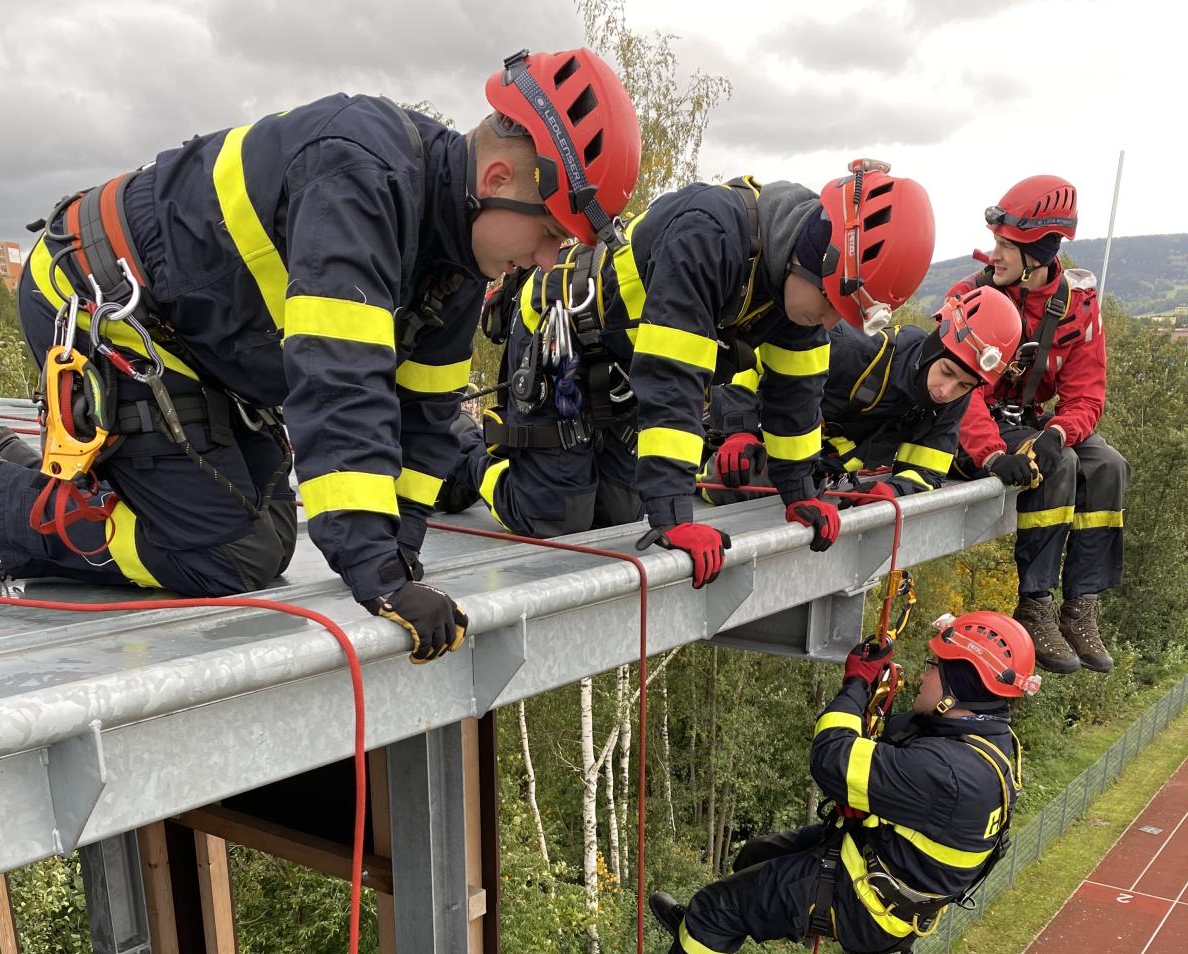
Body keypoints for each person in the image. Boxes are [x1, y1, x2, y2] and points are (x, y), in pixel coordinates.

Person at [0, 51, 640, 663]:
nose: (552, 258)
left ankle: (44, 472)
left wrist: (400, 553)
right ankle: (3, 498)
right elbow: (339, 387)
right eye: (552, 231)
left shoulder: (460, 264)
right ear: (497, 179)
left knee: (268, 535)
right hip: (101, 298)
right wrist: (375, 574)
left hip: (203, 344)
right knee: (225, 553)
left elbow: (425, 420)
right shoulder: (359, 171)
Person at [441, 161, 934, 580]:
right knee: (552, 518)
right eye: (831, 303)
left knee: (617, 513)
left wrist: (800, 493)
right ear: (813, 255)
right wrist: (675, 514)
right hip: (557, 340)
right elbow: (673, 376)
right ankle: (463, 449)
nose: (829, 322)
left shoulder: (795, 284)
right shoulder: (710, 233)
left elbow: (797, 395)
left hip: (621, 369)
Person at [590, 610, 1037, 954]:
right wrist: (882, 691)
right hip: (880, 858)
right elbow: (906, 745)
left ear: (957, 687)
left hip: (863, 897)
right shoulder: (985, 740)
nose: (925, 673)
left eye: (933, 666)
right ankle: (696, 941)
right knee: (756, 855)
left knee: (718, 911)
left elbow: (832, 758)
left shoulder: (948, 774)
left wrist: (856, 687)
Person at [950, 176, 1129, 675]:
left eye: (1007, 246)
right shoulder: (971, 295)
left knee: (1109, 466)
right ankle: (1035, 602)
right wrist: (991, 454)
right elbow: (959, 393)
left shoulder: (1077, 306)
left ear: (1040, 254)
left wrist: (1055, 433)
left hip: (1029, 421)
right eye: (997, 243)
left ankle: (1081, 604)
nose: (995, 255)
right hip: (976, 426)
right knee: (1062, 466)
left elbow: (1086, 393)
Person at [700, 285, 1024, 505]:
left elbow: (926, 471)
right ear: (932, 347)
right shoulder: (851, 349)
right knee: (726, 482)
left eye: (965, 385)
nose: (945, 392)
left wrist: (890, 491)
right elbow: (749, 359)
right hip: (745, 441)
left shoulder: (952, 401)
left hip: (816, 474)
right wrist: (738, 431)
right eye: (947, 373)